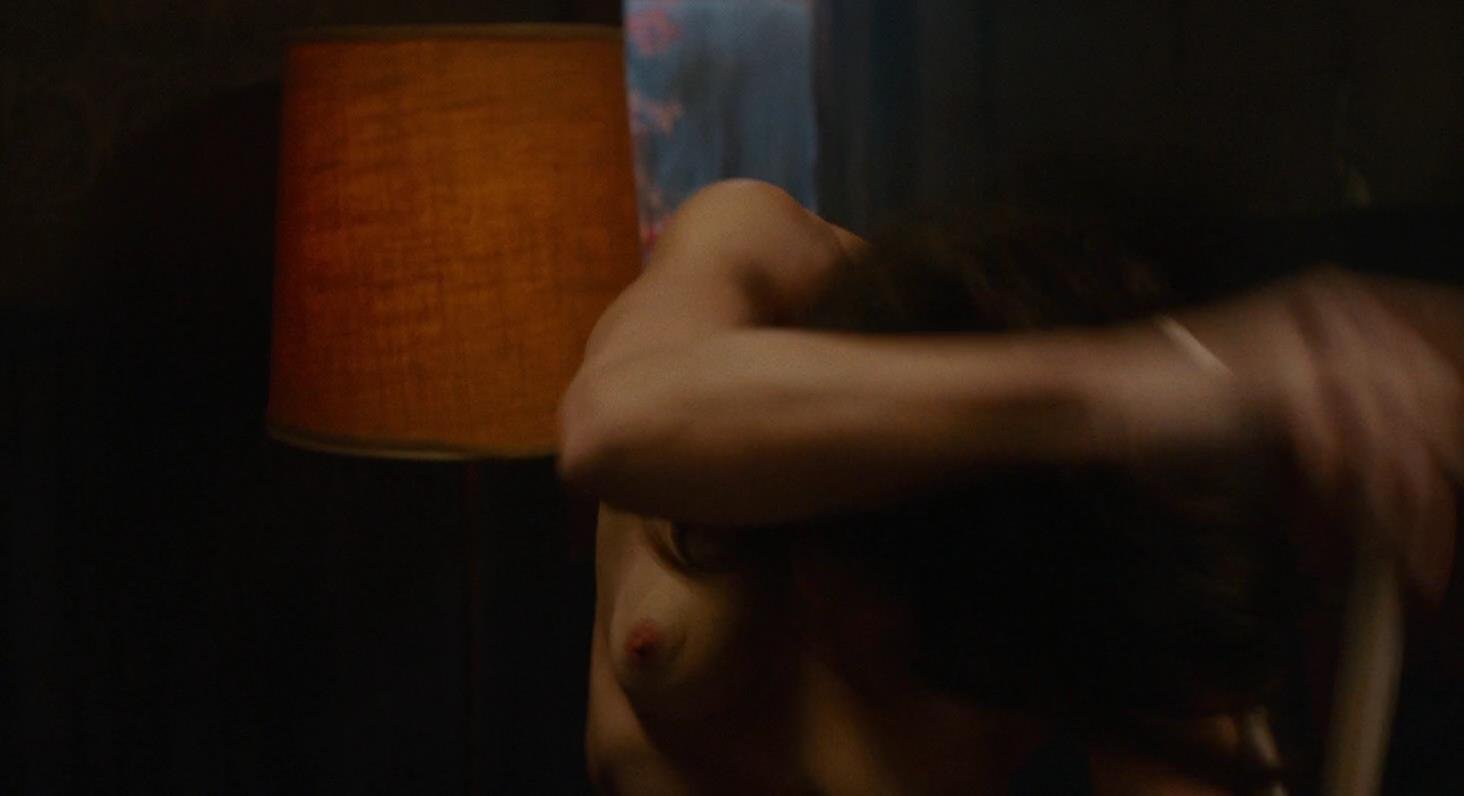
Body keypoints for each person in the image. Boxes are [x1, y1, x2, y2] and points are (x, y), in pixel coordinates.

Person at [559, 178, 1463, 794]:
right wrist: (1144, 383)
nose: (866, 635)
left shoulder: (1078, 560)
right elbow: (609, 425)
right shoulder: (763, 267)